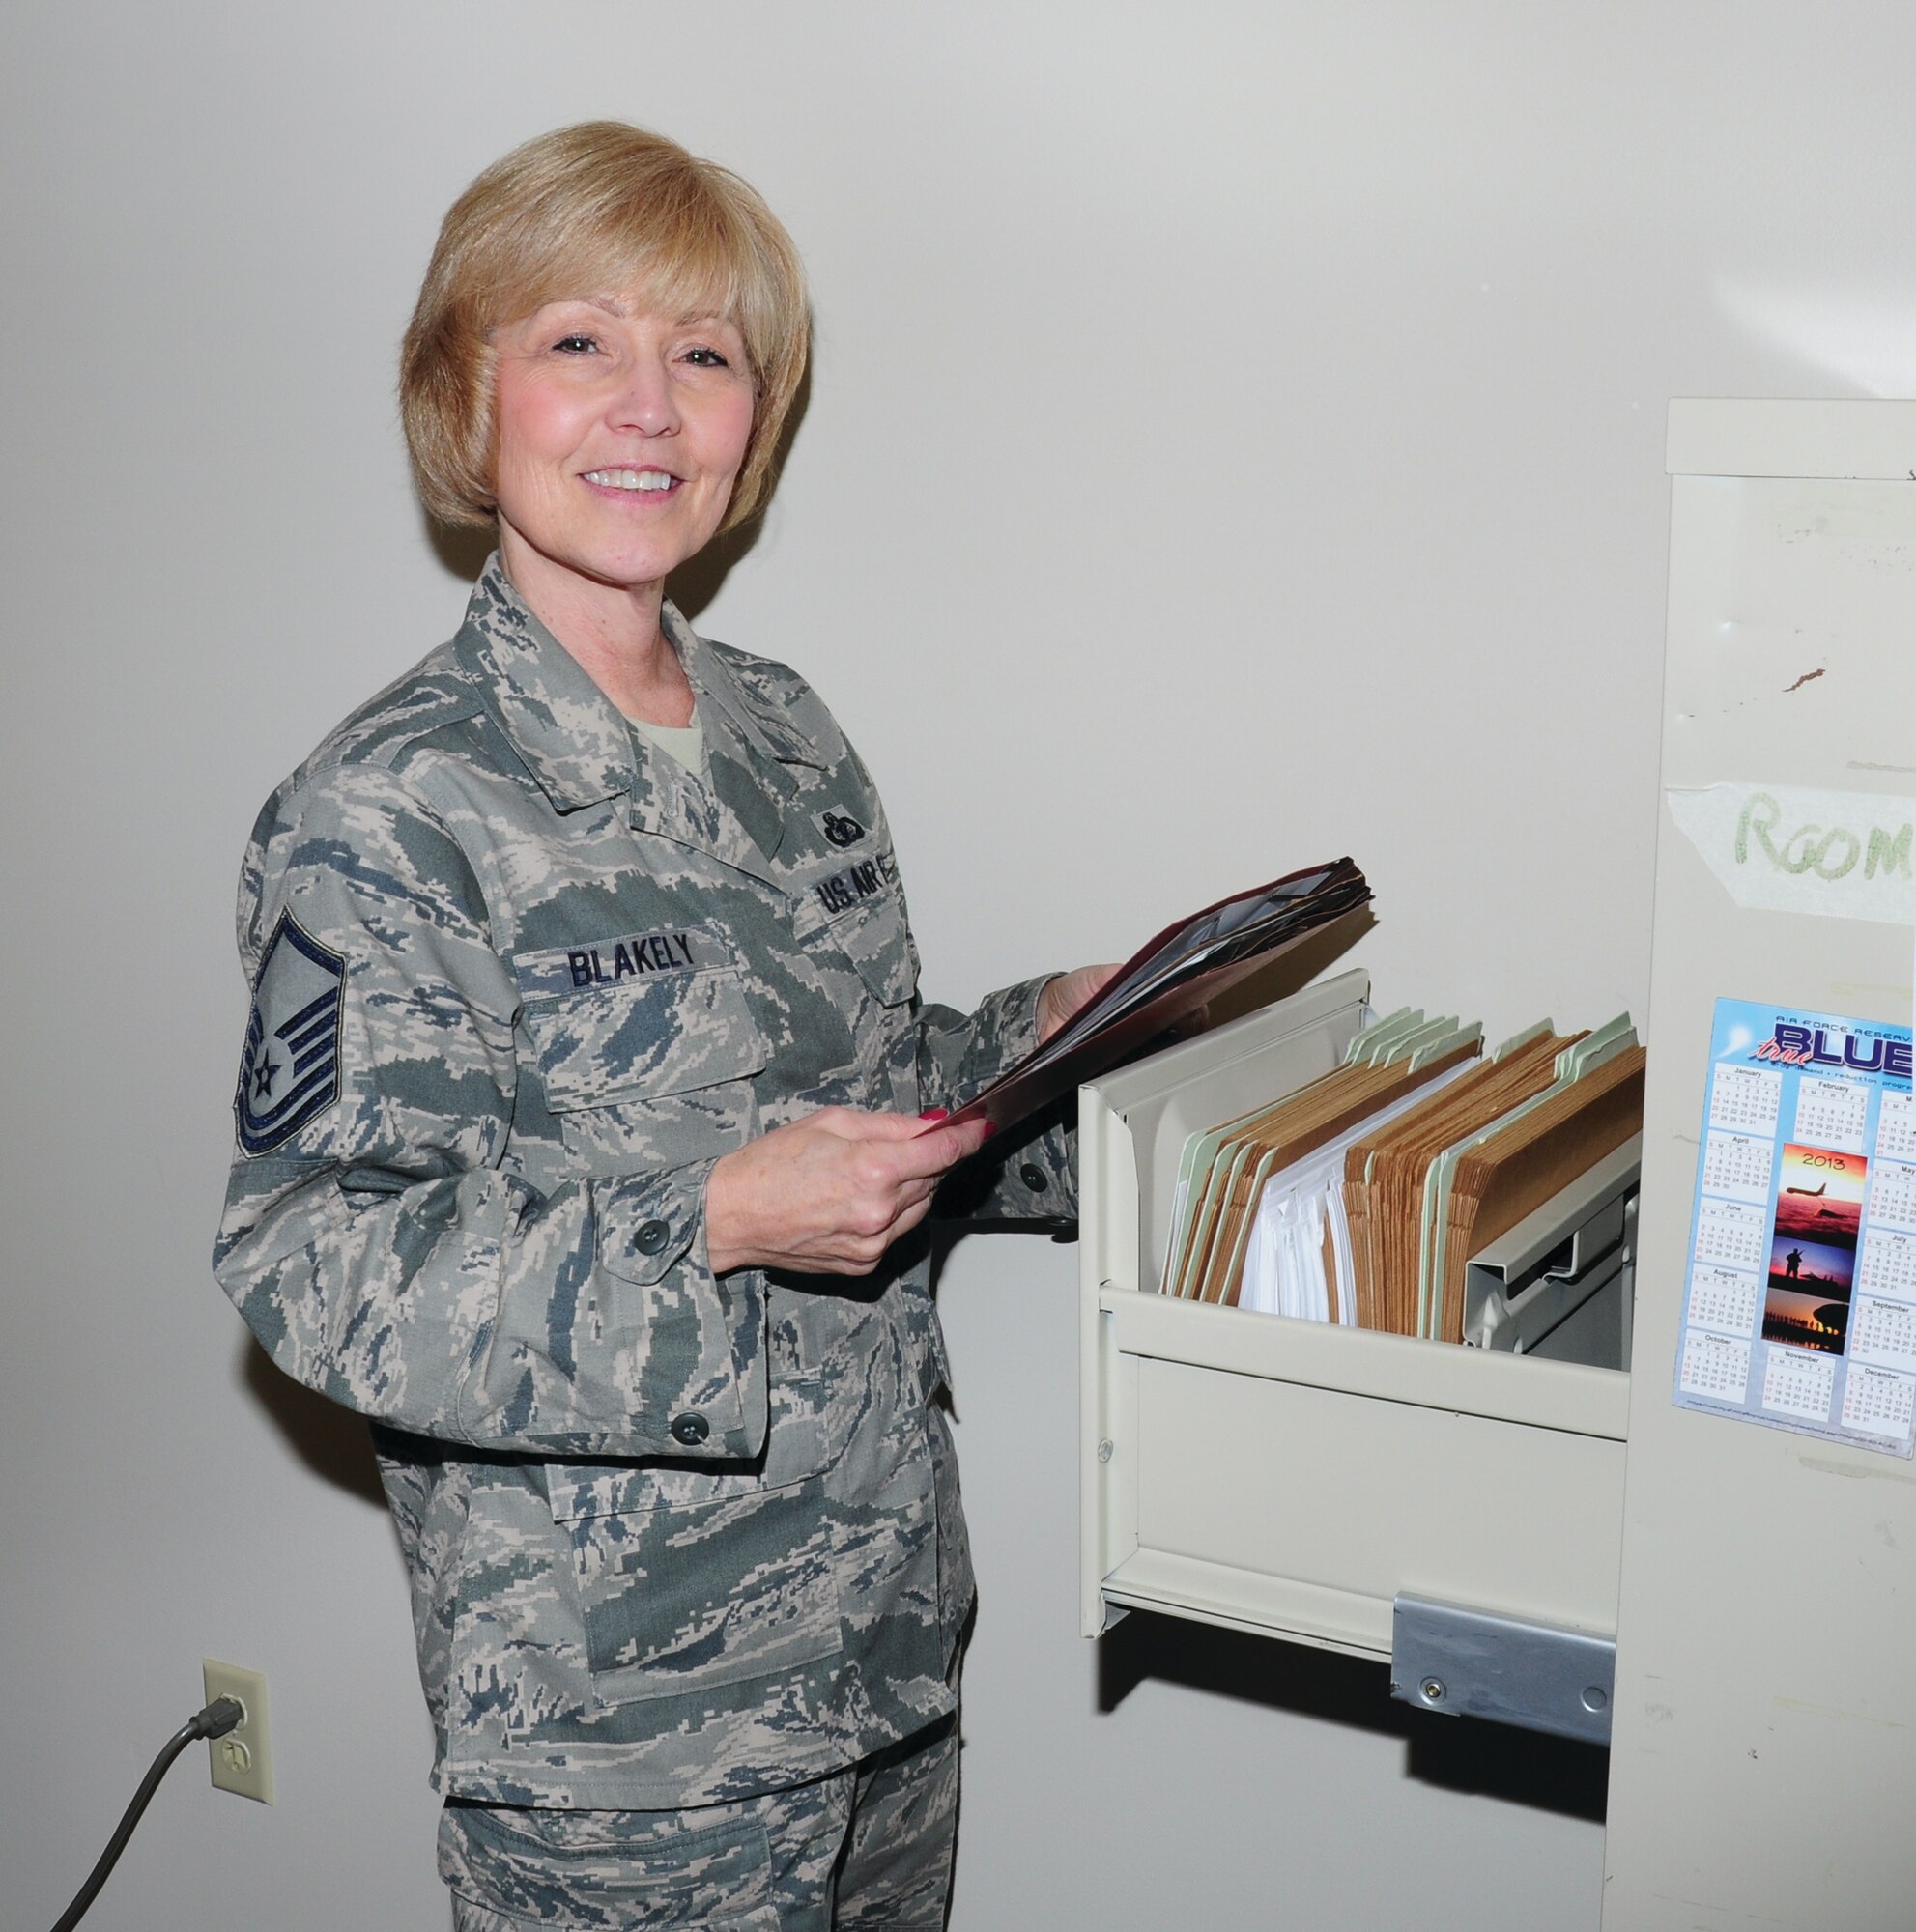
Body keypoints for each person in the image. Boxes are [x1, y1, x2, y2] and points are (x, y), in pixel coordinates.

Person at [214, 122, 1111, 1930]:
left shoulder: (785, 729)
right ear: (468, 402)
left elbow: (864, 1098)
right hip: (628, 1744)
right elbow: (313, 1260)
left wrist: (1076, 1039)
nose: (648, 405)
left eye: (704, 355)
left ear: (751, 433)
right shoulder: (391, 806)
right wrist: (709, 1224)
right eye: (579, 342)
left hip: (883, 1651)